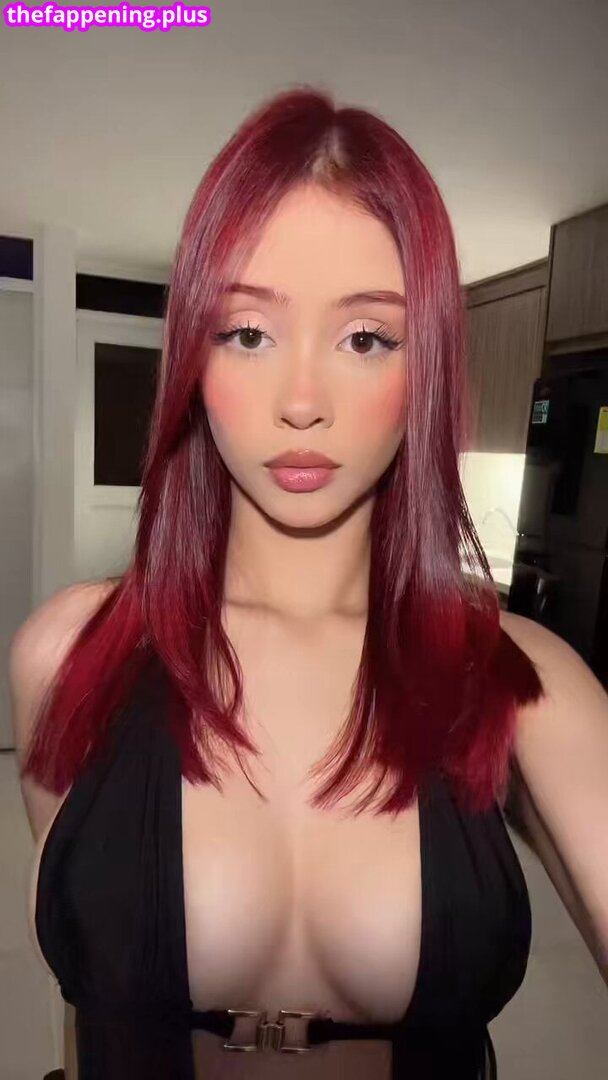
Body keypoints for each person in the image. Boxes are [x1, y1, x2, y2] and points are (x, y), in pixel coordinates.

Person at [9, 87, 608, 1080]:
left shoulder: (528, 683)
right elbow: (92, 1001)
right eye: (248, 332)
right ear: (193, 356)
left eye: (364, 338)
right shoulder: (68, 654)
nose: (300, 402)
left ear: (424, 367)